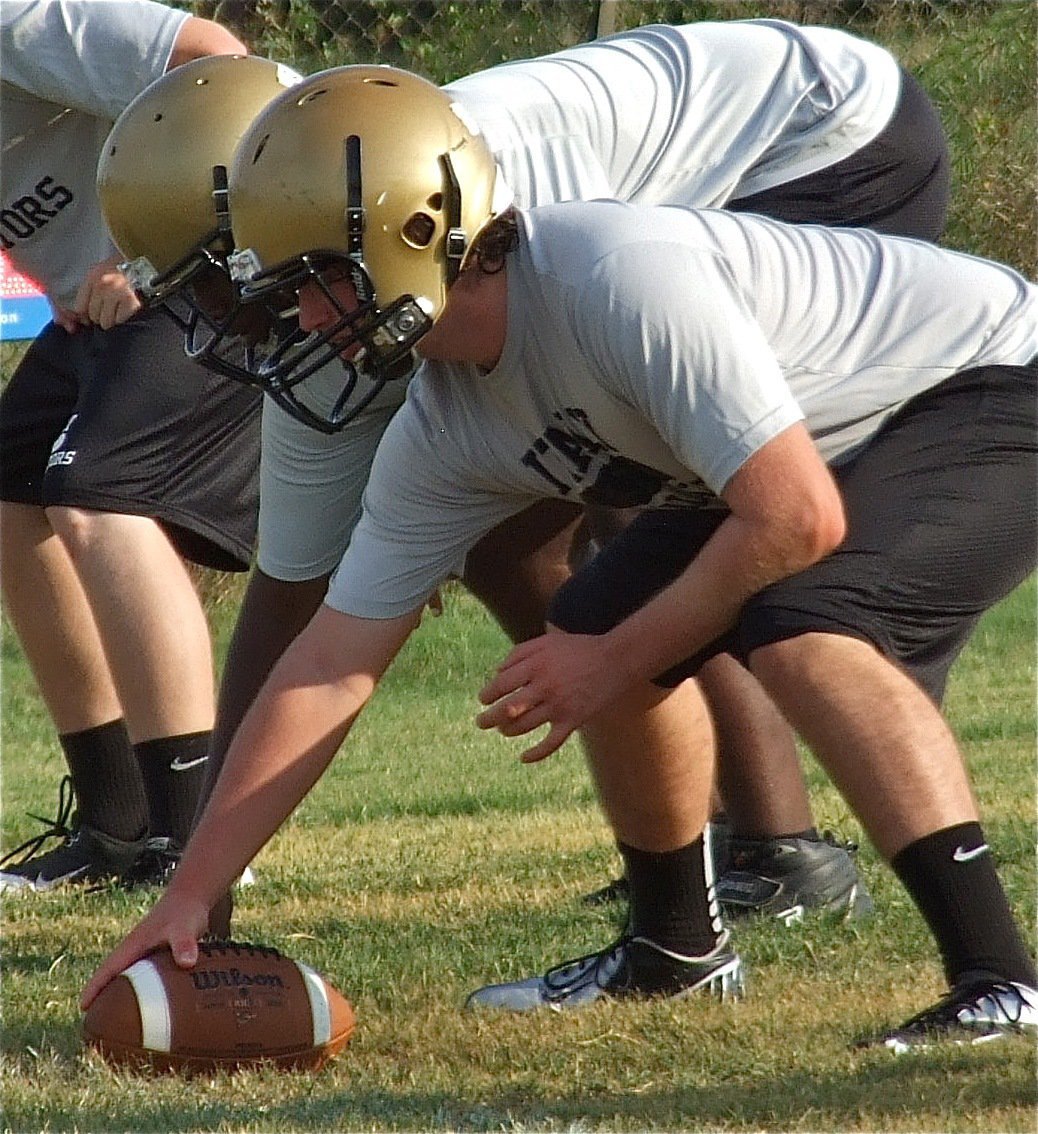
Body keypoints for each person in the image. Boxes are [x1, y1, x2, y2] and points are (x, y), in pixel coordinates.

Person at [83, 68, 1036, 1051]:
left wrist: (618, 658)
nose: (306, 325)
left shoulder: (610, 277)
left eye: (314, 285)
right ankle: (677, 953)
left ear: (415, 231)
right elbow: (330, 665)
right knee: (589, 626)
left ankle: (1001, 981)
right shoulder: (445, 426)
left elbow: (796, 521)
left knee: (807, 628)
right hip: (806, 450)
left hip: (985, 381)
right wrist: (194, 892)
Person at [0, 0, 270, 893]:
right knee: (12, 486)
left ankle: (191, 845)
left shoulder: (21, 23)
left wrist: (148, 248)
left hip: (242, 264)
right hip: (112, 302)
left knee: (98, 498)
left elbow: (223, 65)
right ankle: (118, 828)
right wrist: (83, 275)